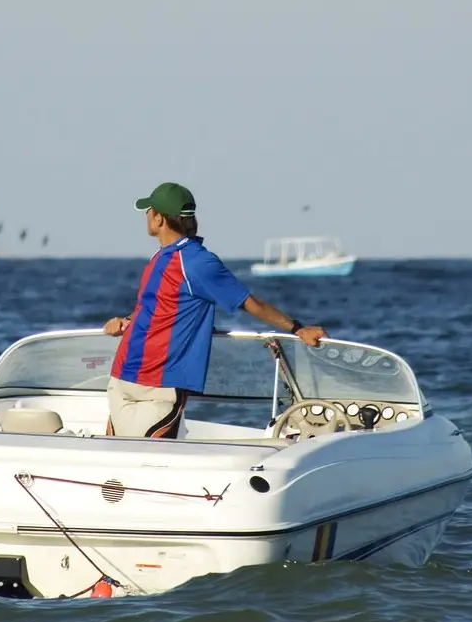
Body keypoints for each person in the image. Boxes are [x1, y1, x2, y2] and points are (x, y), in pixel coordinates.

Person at [102, 182, 327, 439]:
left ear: (159, 219)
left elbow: (250, 303)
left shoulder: (198, 262)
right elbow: (152, 306)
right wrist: (126, 320)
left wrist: (298, 328)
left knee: (144, 463)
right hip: (123, 377)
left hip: (157, 384)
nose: (146, 216)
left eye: (149, 211)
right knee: (119, 464)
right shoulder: (159, 257)